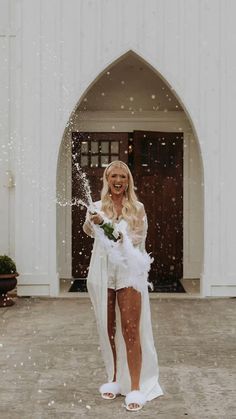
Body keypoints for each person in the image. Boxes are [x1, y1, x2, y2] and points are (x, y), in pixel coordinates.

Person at [83, 160, 163, 411]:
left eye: (122, 177)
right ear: (106, 180)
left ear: (128, 181)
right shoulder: (96, 206)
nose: (118, 181)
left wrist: (106, 226)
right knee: (107, 328)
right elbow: (87, 231)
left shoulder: (137, 208)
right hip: (103, 272)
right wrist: (93, 219)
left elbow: (134, 241)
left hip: (128, 272)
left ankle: (137, 387)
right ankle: (115, 379)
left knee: (130, 329)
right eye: (113, 176)